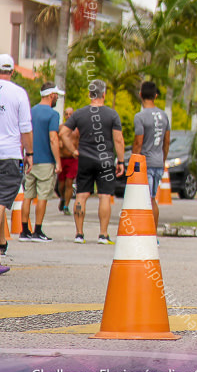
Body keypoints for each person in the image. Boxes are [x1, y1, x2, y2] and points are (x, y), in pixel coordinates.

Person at [60, 80, 125, 244]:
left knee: (81, 195)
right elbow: (118, 140)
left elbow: (63, 133)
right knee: (104, 196)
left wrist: (73, 150)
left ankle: (79, 234)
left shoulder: (79, 113)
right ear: (104, 94)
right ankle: (103, 235)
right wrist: (121, 161)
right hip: (105, 160)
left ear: (90, 95)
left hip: (85, 159)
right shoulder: (112, 114)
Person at [0, 54, 33, 274]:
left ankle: (2, 244)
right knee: (2, 202)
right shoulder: (19, 93)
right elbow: (25, 129)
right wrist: (29, 153)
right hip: (10, 154)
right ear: (12, 72)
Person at [22, 82, 63, 242]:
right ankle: (37, 230)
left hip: (31, 159)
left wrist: (26, 154)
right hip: (46, 160)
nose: (57, 98)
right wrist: (58, 161)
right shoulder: (53, 114)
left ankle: (24, 231)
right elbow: (53, 138)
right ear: (51, 95)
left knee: (28, 195)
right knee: (43, 196)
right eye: (56, 96)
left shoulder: (31, 111)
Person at [132, 82, 170, 230]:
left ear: (140, 95)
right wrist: (163, 158)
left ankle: (144, 233)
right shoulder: (164, 115)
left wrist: (134, 161)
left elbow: (138, 142)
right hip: (158, 162)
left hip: (145, 163)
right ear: (156, 96)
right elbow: (166, 141)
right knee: (152, 199)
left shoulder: (140, 117)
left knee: (143, 200)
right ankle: (152, 235)